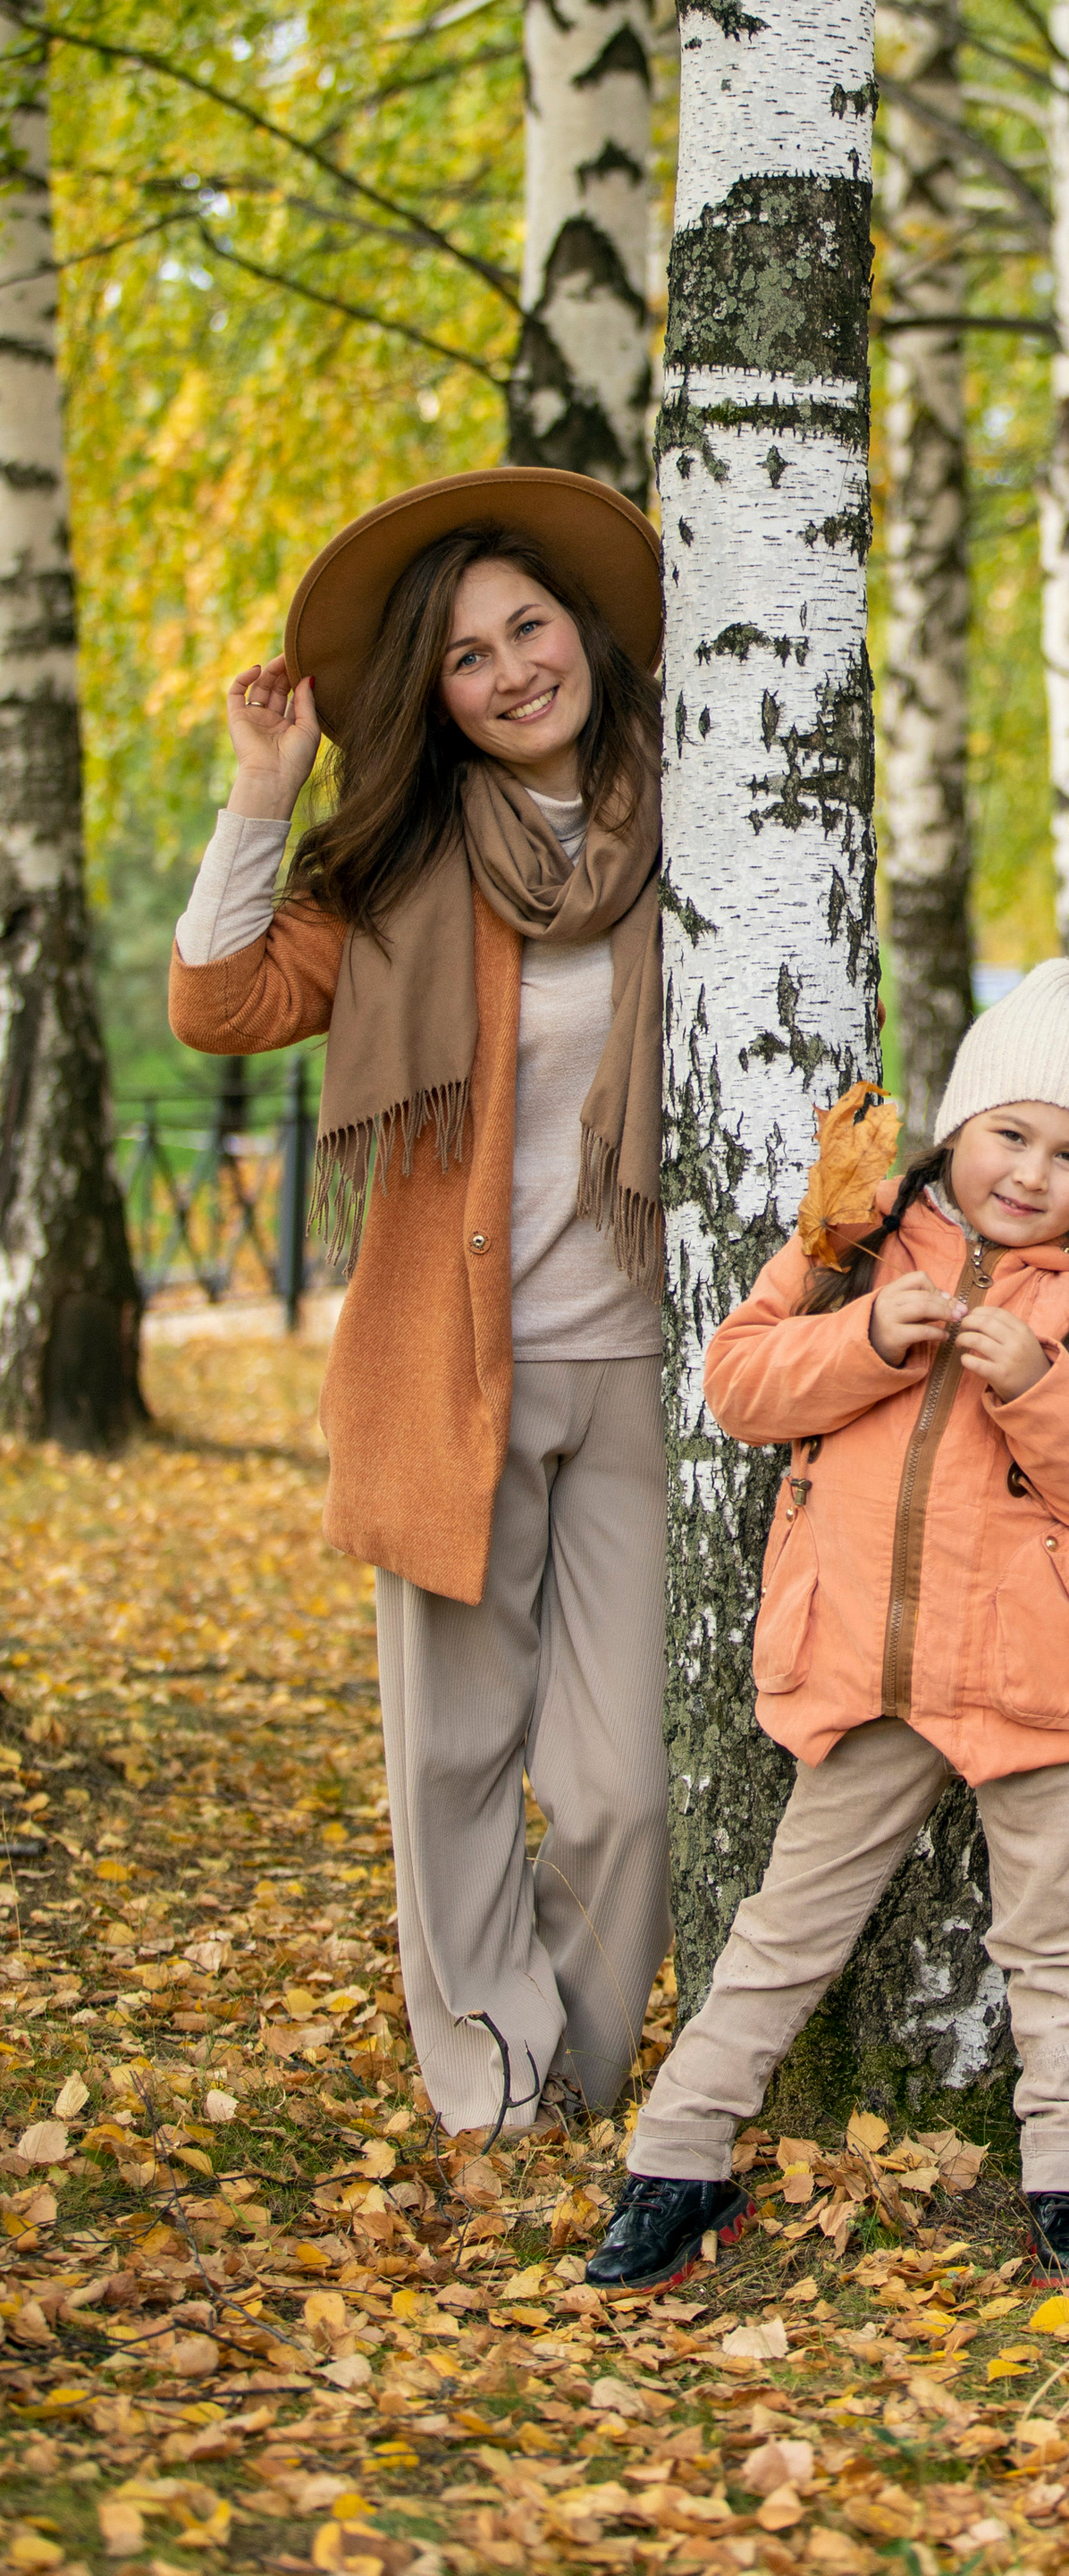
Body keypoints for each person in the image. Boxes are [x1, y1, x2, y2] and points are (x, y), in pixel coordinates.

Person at [170, 468, 671, 2142]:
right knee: (453, 1762)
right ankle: (499, 2086)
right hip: (456, 1368)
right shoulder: (392, 870)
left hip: (657, 1372)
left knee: (625, 1784)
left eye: (531, 625)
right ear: (436, 699)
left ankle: (582, 2070)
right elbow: (225, 1000)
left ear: (585, 636)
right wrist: (262, 793)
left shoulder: (703, 820)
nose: (514, 667)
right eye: (468, 655)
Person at [586, 962, 1069, 2296]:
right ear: (957, 1127)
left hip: (1032, 1677)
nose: (1031, 1173)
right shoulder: (847, 1250)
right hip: (861, 1667)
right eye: (1011, 1134)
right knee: (788, 1923)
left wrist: (1039, 1387)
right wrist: (861, 1341)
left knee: (1061, 1940)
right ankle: (677, 2168)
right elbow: (737, 1383)